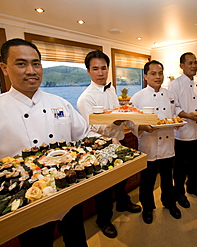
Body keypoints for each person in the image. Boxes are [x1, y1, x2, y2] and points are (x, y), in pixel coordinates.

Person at [0, 38, 90, 246]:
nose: (31, 70)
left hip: (69, 190)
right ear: (4, 68)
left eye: (36, 63)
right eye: (21, 63)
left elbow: (85, 136)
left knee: (77, 240)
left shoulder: (60, 103)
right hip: (25, 201)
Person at [76, 50, 141, 238]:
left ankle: (122, 202)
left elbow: (119, 112)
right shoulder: (85, 98)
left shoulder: (111, 89)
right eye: (95, 69)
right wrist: (117, 120)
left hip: (119, 141)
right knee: (104, 188)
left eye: (104, 68)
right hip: (101, 146)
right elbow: (95, 127)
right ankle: (103, 220)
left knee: (122, 178)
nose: (101, 73)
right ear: (88, 71)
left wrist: (132, 121)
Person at [130, 60, 181, 224]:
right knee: (147, 181)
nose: (158, 77)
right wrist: (142, 127)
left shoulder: (170, 95)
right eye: (153, 73)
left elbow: (174, 116)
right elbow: (130, 120)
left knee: (167, 178)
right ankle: (147, 208)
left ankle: (170, 203)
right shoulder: (138, 97)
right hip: (149, 145)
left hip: (167, 145)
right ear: (145, 76)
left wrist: (177, 123)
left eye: (160, 73)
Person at [168, 52, 197, 209]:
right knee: (180, 166)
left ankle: (193, 186)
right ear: (182, 66)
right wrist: (188, 115)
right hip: (183, 133)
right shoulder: (175, 84)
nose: (194, 66)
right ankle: (179, 193)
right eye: (190, 63)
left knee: (196, 163)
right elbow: (174, 107)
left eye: (195, 62)